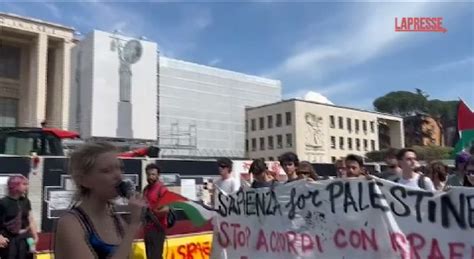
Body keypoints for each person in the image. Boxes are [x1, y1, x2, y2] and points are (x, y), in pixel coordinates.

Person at [54, 142, 146, 259]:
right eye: (106, 171)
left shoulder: (118, 222)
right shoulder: (71, 223)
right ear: (84, 181)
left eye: (119, 169)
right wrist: (133, 226)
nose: (118, 175)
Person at [0, 175, 38, 259]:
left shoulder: (26, 201)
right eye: (24, 184)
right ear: (15, 185)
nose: (27, 186)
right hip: (10, 240)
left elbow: (30, 219)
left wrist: (35, 235)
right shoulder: (3, 203)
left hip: (25, 239)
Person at [143, 163, 169, 259]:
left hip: (158, 229)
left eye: (153, 174)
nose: (150, 177)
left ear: (158, 175)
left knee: (156, 256)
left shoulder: (162, 189)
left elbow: (166, 209)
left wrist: (153, 212)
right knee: (149, 256)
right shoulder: (146, 189)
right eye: (148, 174)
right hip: (147, 229)